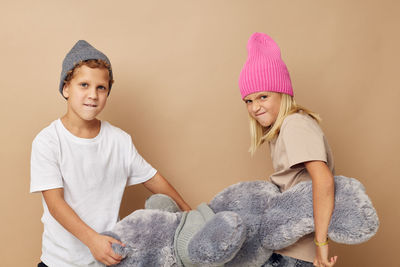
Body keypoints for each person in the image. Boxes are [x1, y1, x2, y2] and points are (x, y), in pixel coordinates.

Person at [30, 40, 191, 267]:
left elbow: (153, 178)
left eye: (101, 88)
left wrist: (189, 213)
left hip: (107, 258)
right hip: (59, 262)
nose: (93, 95)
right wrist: (91, 240)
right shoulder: (47, 141)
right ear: (66, 88)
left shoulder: (119, 140)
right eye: (84, 85)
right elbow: (55, 204)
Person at [238, 32, 338, 267]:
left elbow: (323, 180)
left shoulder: (295, 125)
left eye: (263, 96)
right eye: (249, 101)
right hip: (285, 246)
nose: (255, 107)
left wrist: (321, 246)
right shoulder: (281, 129)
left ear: (282, 93)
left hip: (297, 253)